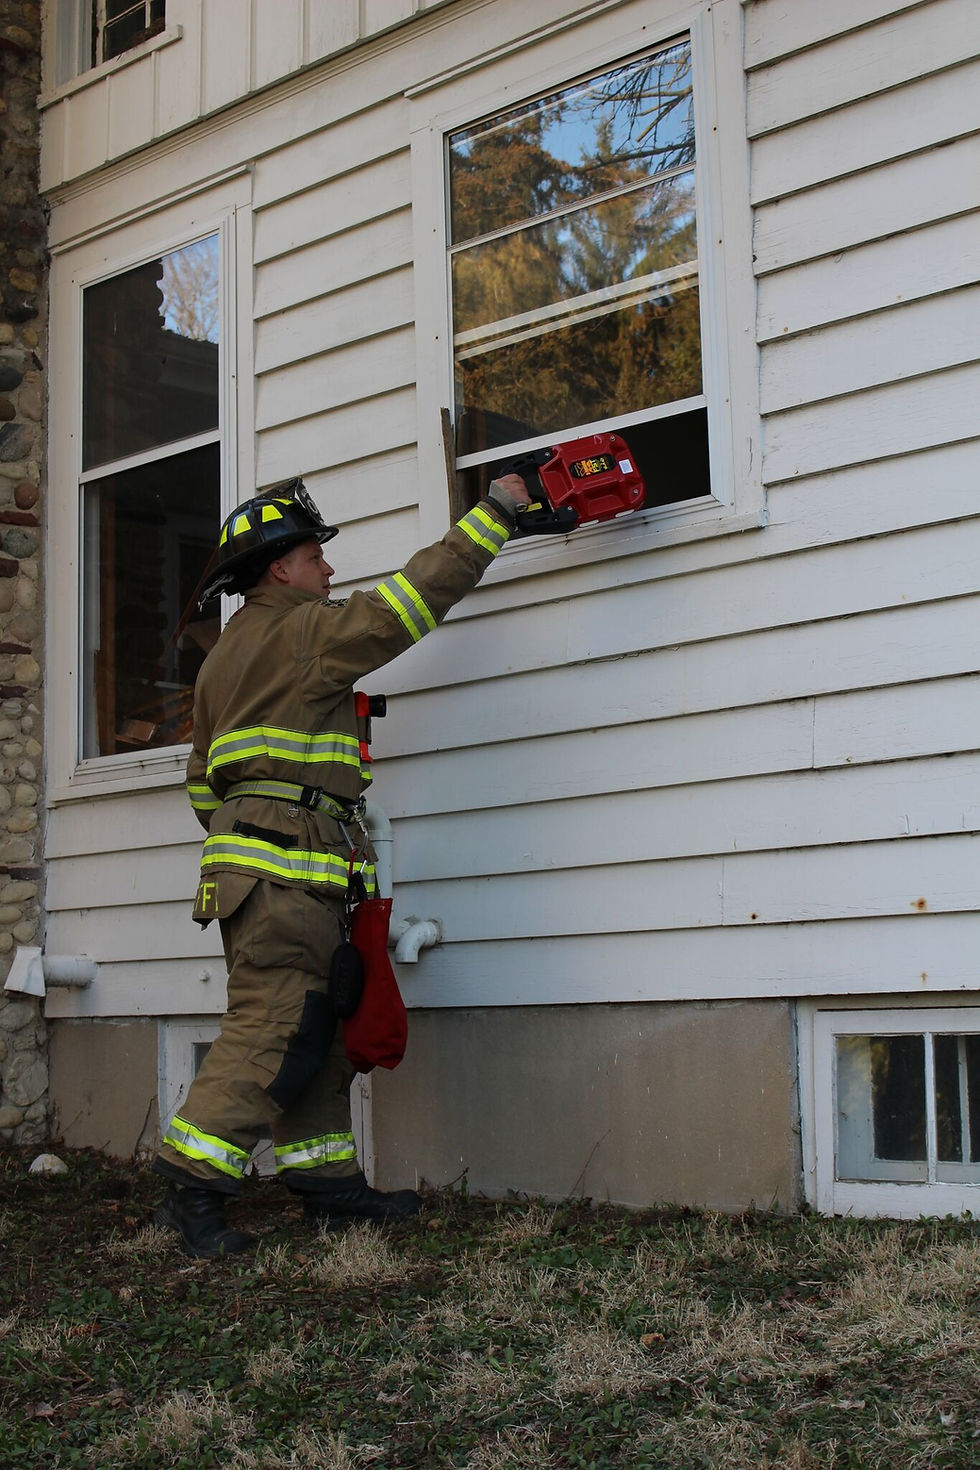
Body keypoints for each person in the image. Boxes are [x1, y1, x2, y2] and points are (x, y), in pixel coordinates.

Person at [152, 473, 528, 1257]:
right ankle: (189, 1189)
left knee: (313, 1032)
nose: (328, 569)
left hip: (268, 870)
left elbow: (199, 776)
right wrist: (494, 516)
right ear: (278, 567)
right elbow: (407, 604)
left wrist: (246, 835)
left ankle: (328, 1188)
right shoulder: (305, 633)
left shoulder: (222, 659)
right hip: (289, 870)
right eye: (315, 555)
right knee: (275, 1026)